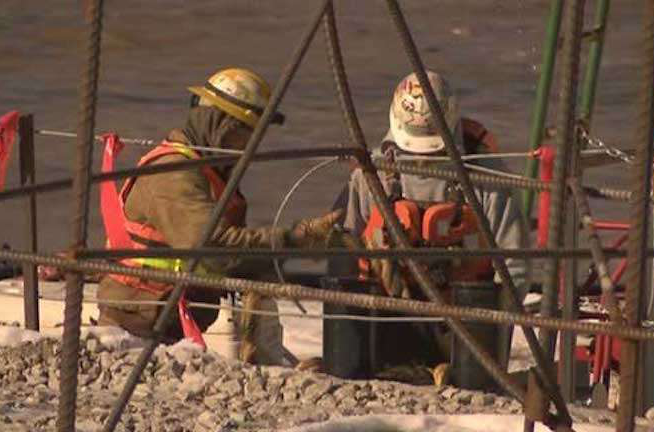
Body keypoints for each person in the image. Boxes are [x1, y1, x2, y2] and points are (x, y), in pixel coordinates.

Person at [96, 68, 341, 365]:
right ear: (220, 124)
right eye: (245, 134)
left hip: (168, 321)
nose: (250, 146)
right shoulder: (173, 173)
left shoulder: (209, 170)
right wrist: (294, 239)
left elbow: (231, 255)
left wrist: (267, 265)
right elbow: (212, 247)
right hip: (137, 328)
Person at [343, 71, 529, 384]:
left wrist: (494, 325)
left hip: (467, 326)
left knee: (468, 379)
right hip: (390, 316)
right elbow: (346, 250)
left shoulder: (488, 180)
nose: (422, 157)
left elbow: (516, 265)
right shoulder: (370, 177)